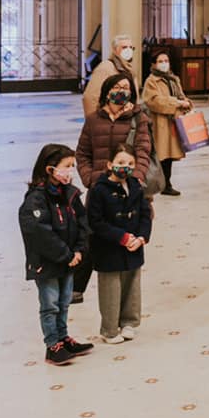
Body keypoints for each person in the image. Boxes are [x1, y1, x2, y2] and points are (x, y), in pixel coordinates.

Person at [74, 73, 152, 304]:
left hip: (128, 187)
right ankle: (77, 287)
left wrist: (136, 178)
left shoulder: (138, 118)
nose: (121, 91)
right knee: (91, 234)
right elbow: (82, 153)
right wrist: (90, 178)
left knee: (126, 233)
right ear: (107, 91)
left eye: (126, 87)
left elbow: (143, 150)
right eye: (116, 87)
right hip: (100, 187)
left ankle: (126, 295)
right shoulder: (93, 119)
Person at [18, 144, 94, 365]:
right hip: (48, 264)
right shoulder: (36, 200)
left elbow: (83, 222)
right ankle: (53, 345)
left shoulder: (70, 194)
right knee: (50, 304)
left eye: (72, 166)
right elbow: (40, 234)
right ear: (50, 169)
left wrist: (79, 250)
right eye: (66, 166)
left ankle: (63, 337)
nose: (70, 171)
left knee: (64, 301)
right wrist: (65, 254)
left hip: (70, 259)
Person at [86, 143, 153, 344]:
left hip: (134, 243)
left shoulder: (136, 186)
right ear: (109, 164)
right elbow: (96, 221)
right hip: (109, 246)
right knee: (111, 287)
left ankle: (129, 322)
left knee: (132, 284)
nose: (125, 167)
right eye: (121, 162)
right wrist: (121, 237)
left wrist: (141, 237)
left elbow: (145, 214)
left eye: (130, 163)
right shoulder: (99, 189)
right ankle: (109, 328)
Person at [141, 48, 193, 196]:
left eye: (166, 61)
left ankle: (167, 184)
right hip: (160, 123)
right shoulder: (151, 81)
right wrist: (176, 103)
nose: (164, 64)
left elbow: (181, 95)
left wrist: (186, 102)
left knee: (169, 155)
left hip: (174, 122)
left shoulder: (174, 79)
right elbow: (153, 101)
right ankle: (159, 183)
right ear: (154, 64)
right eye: (160, 61)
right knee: (160, 154)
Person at [83, 34, 138, 117]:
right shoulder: (106, 67)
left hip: (125, 118)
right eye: (124, 47)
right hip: (110, 120)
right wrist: (94, 121)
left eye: (131, 48)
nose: (128, 50)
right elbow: (90, 98)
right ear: (115, 50)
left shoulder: (129, 69)